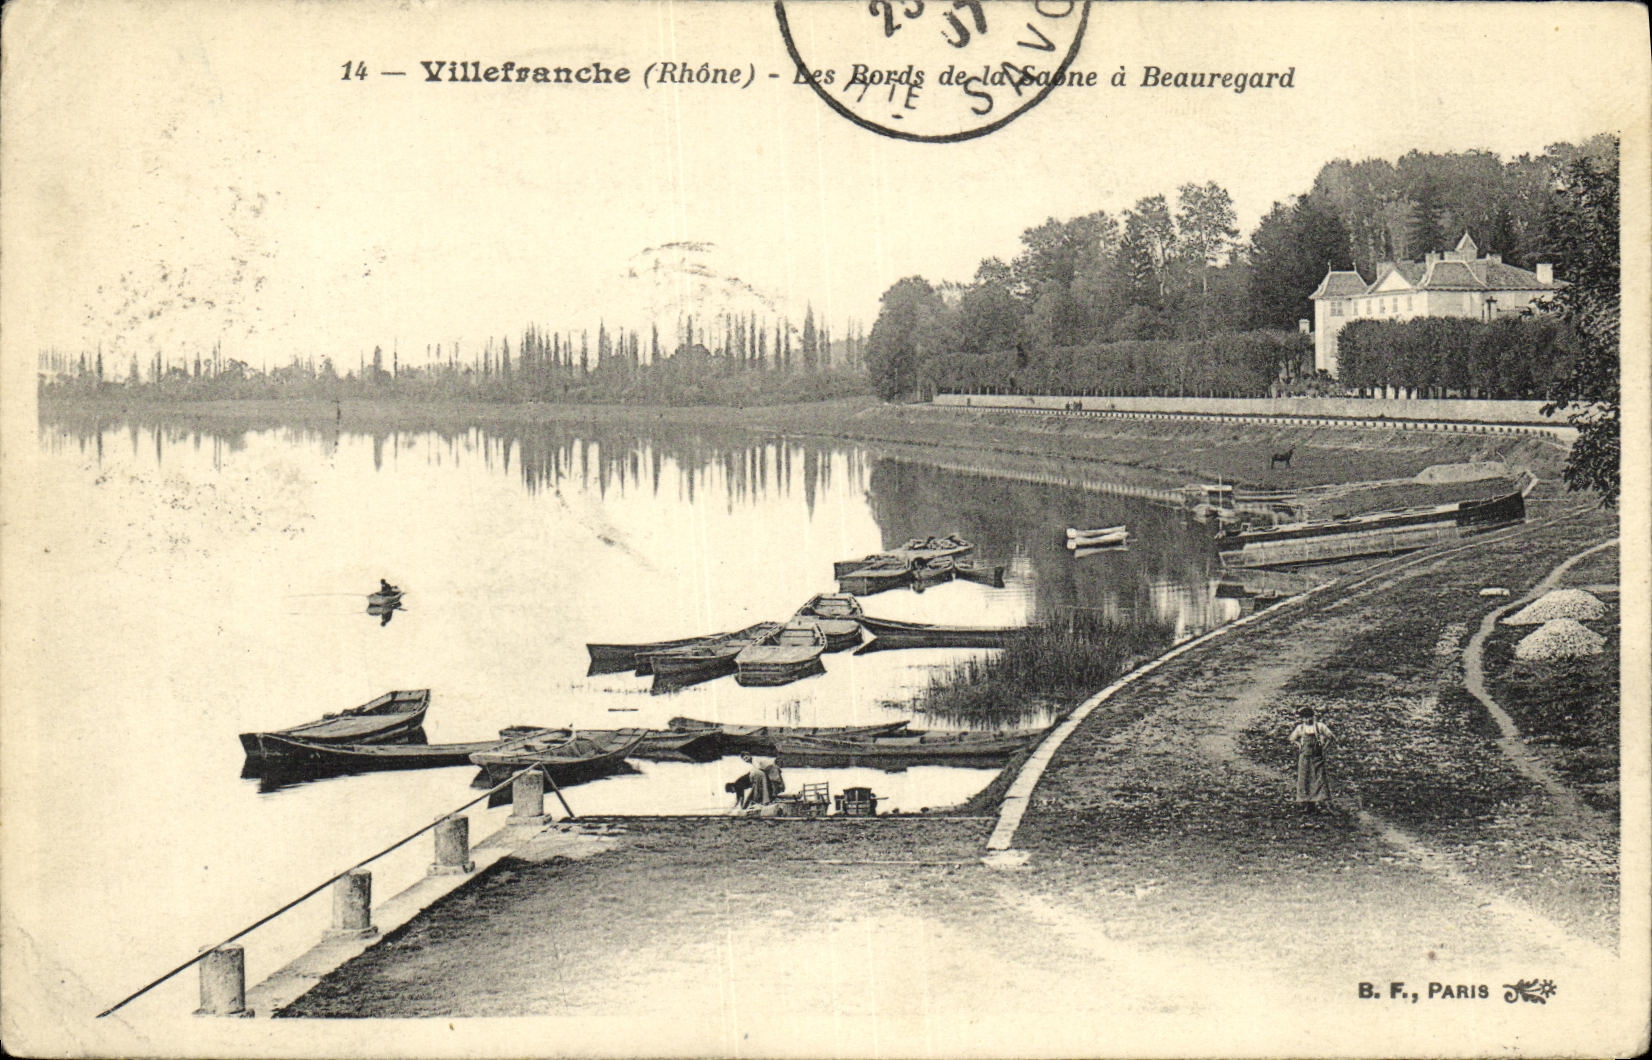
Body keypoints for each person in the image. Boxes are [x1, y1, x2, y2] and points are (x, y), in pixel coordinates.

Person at [1289, 706, 1335, 811]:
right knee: (1305, 779)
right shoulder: (1300, 728)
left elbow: (1331, 737)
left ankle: (1323, 803)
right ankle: (1308, 804)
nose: (1307, 720)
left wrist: (1324, 748)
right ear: (1302, 719)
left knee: (1320, 779)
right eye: (1305, 718)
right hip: (1304, 757)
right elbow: (1292, 738)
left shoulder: (1319, 727)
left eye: (1309, 717)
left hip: (1317, 757)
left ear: (1313, 716)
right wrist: (1299, 745)